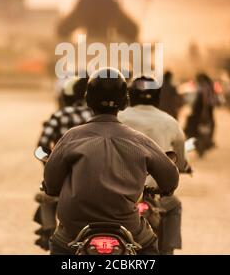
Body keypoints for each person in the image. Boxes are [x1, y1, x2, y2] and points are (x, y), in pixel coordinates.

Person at [44, 67, 179, 255]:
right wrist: (165, 188)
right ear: (125, 102)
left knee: (58, 244)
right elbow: (170, 178)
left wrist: (53, 188)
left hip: (74, 228)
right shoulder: (140, 141)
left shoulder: (71, 138)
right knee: (149, 245)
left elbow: (51, 183)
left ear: (88, 100)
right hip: (127, 226)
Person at [119, 75, 191, 255]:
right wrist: (182, 166)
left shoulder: (119, 117)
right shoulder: (169, 121)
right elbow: (180, 157)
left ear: (131, 95)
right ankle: (167, 250)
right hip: (154, 190)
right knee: (174, 205)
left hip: (120, 189)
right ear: (157, 96)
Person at [34, 76, 92, 250]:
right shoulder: (98, 117)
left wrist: (50, 169)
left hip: (64, 178)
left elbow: (42, 145)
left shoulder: (60, 116)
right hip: (98, 177)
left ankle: (48, 232)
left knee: (46, 196)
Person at [184, 73, 217, 157]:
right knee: (210, 125)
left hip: (201, 111)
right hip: (206, 111)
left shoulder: (204, 87)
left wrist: (204, 112)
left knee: (192, 125)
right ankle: (208, 141)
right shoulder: (209, 86)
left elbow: (205, 102)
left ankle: (200, 141)